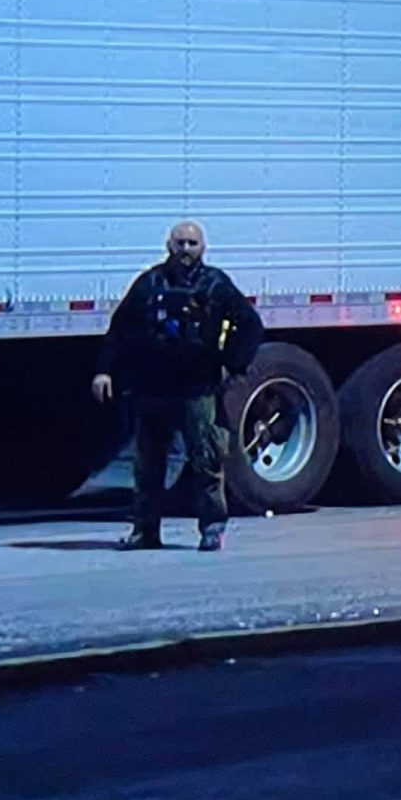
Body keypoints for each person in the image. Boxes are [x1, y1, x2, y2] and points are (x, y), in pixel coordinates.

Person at [92, 220, 264, 552]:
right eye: (180, 243)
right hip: (152, 387)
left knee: (206, 460)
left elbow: (250, 324)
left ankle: (212, 527)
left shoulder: (215, 284)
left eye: (192, 244)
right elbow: (120, 328)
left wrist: (232, 362)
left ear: (203, 248)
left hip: (197, 389)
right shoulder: (149, 283)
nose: (185, 250)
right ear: (169, 246)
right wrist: (104, 371)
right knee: (147, 464)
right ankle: (145, 531)